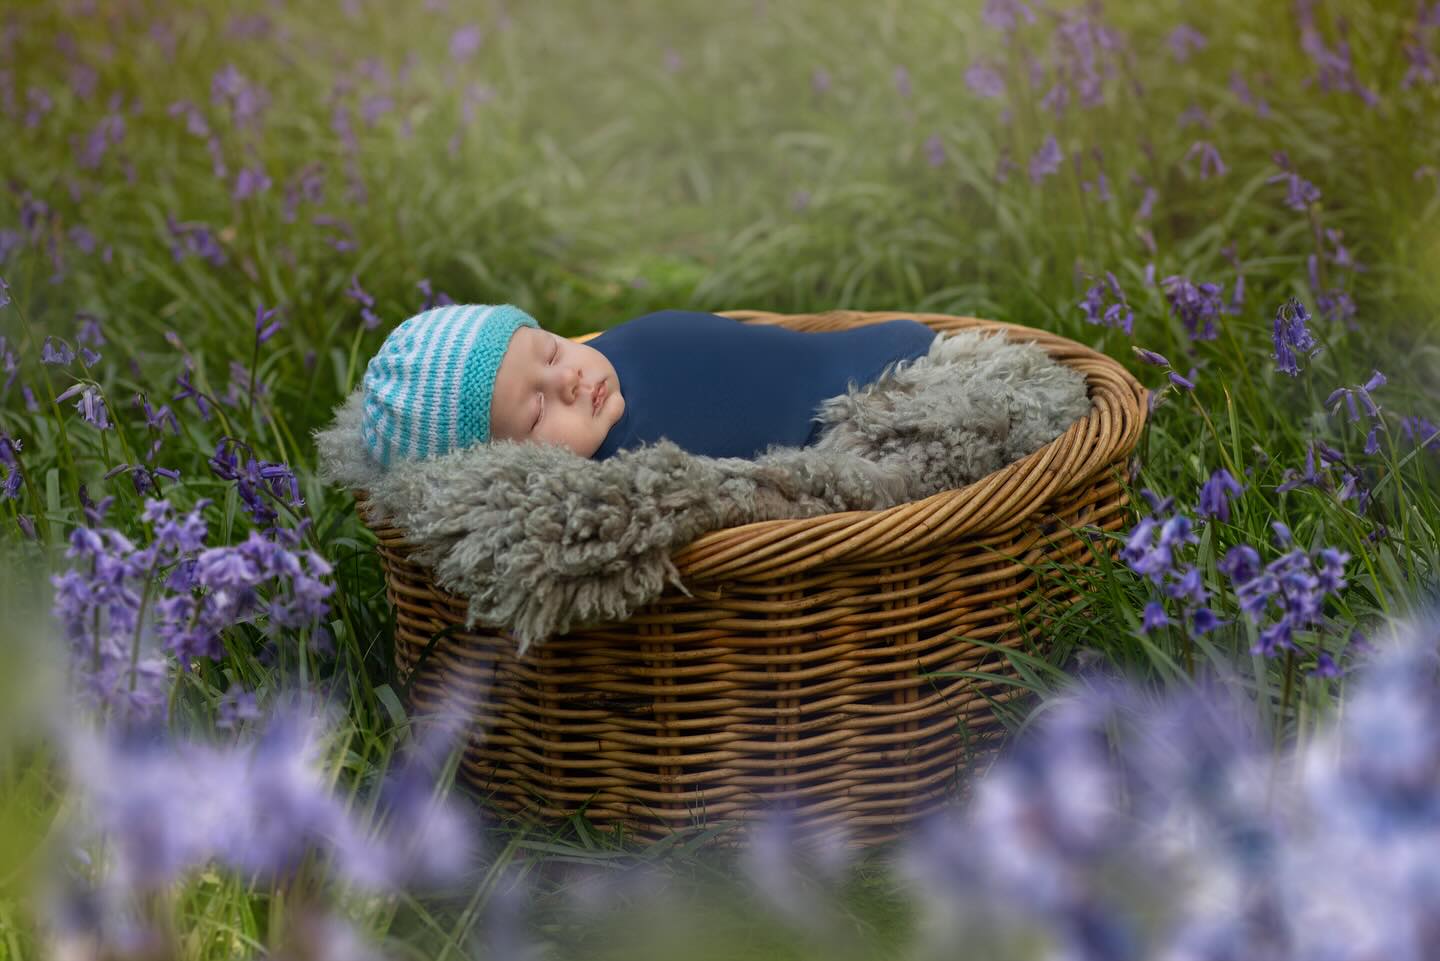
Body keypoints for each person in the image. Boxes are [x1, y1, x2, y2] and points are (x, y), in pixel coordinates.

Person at [359, 303, 938, 468]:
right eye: (536, 415)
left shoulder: (595, 366)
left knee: (903, 347)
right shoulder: (612, 487)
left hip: (816, 363)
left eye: (553, 350)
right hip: (811, 426)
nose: (569, 380)